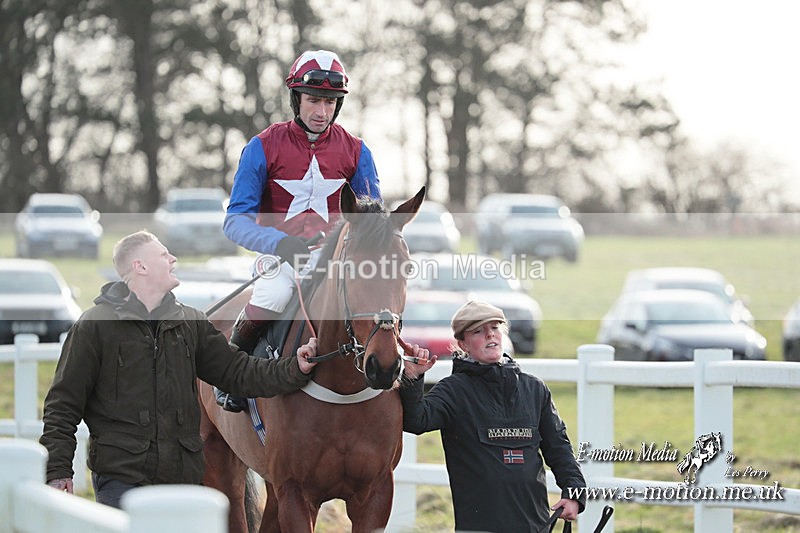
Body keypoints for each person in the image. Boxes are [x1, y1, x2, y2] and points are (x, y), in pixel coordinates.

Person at [39, 230, 318, 508]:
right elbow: (63, 406)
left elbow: (239, 372)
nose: (172, 259)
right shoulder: (94, 326)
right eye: (163, 255)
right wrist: (59, 470)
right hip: (122, 482)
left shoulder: (191, 323)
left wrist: (295, 367)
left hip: (185, 483)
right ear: (140, 266)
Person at [218, 48, 381, 412]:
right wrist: (280, 242)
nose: (321, 112)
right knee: (273, 296)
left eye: (329, 102)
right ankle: (230, 374)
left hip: (338, 261)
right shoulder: (261, 147)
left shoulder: (357, 151)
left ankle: (399, 379)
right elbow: (235, 220)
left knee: (380, 303)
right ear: (296, 98)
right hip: (282, 258)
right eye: (313, 100)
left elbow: (372, 219)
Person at [400, 300, 586, 533]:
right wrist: (412, 379)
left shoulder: (534, 389)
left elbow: (559, 447)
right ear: (462, 344)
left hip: (535, 524)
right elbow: (416, 421)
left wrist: (574, 493)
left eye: (495, 328)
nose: (490, 335)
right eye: (478, 331)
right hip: (479, 526)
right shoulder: (453, 390)